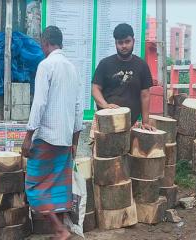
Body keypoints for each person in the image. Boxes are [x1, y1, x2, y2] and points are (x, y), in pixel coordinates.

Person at [21, 26, 84, 240]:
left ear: (45, 43)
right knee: (57, 186)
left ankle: (60, 230)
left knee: (34, 186)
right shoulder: (72, 68)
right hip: (65, 139)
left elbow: (39, 104)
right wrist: (75, 141)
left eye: (42, 45)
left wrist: (28, 136)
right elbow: (78, 108)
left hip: (47, 137)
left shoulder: (46, 65)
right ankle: (60, 230)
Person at [92, 23, 154, 130]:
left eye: (127, 41)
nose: (124, 46)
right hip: (105, 124)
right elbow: (95, 89)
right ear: (115, 43)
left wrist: (146, 122)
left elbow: (145, 95)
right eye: (120, 42)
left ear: (133, 41)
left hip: (131, 125)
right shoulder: (105, 64)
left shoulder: (142, 65)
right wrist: (105, 105)